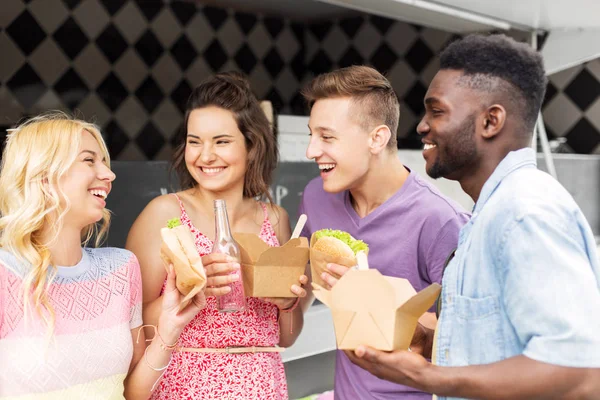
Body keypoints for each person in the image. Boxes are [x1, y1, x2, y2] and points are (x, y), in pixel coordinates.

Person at [346, 34, 600, 399]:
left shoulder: (525, 212)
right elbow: (497, 351)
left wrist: (428, 378)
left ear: (490, 121)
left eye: (437, 111)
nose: (421, 126)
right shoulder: (490, 214)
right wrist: (426, 339)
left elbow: (580, 373)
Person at [126, 72, 308, 400]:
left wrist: (288, 304)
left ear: (252, 147)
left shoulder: (276, 220)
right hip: (183, 387)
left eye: (221, 141)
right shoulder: (165, 214)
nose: (204, 156)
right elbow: (130, 325)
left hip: (263, 387)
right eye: (195, 141)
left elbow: (286, 338)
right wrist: (186, 293)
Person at [0, 113, 204, 399]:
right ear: (44, 175)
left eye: (104, 162)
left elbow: (132, 392)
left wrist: (169, 329)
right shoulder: (4, 273)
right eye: (89, 160)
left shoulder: (120, 269)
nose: (109, 175)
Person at [299, 65, 469, 399]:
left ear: (377, 138)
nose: (311, 151)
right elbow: (297, 303)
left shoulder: (441, 221)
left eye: (327, 136)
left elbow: (460, 351)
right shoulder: (316, 197)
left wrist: (383, 307)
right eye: (311, 135)